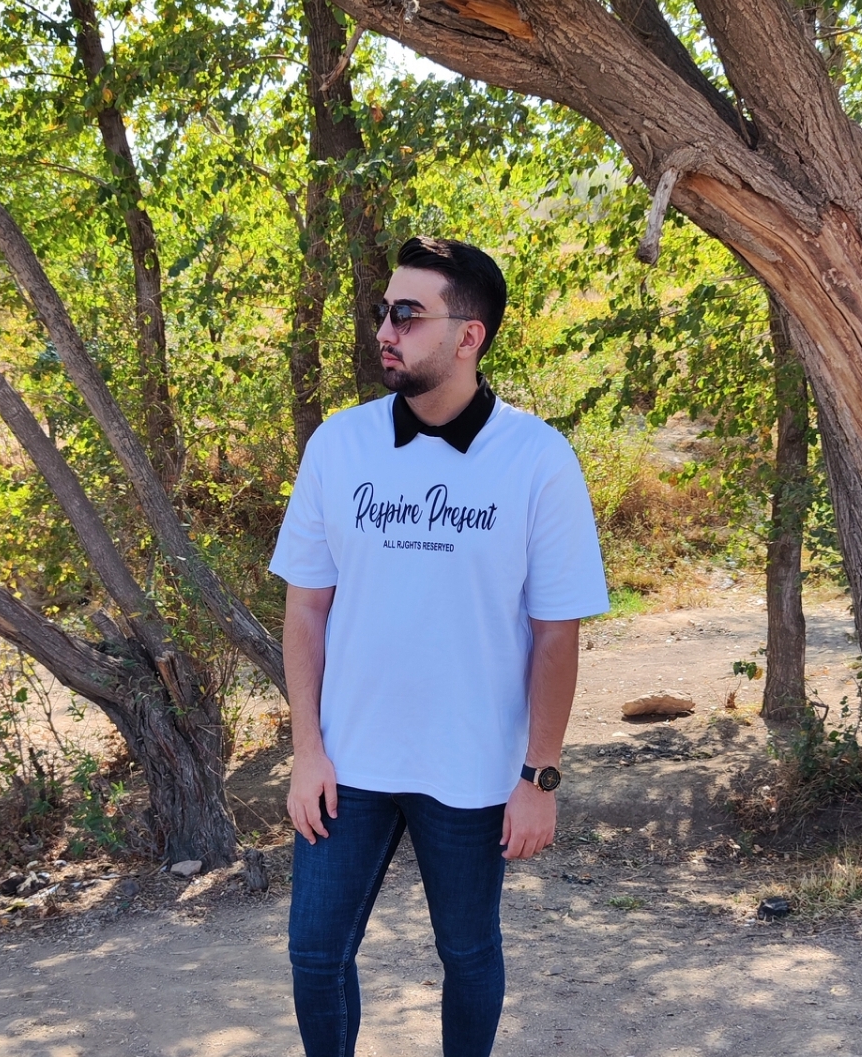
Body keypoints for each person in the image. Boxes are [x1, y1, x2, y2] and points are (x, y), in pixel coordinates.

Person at [269, 236, 609, 1057]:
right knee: (314, 953)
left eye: (406, 315)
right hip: (347, 764)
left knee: (467, 952)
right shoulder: (338, 445)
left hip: (473, 767)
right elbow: (305, 608)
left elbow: (555, 630)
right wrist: (306, 749)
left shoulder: (537, 458)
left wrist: (538, 775)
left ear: (468, 336)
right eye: (382, 311)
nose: (384, 330)